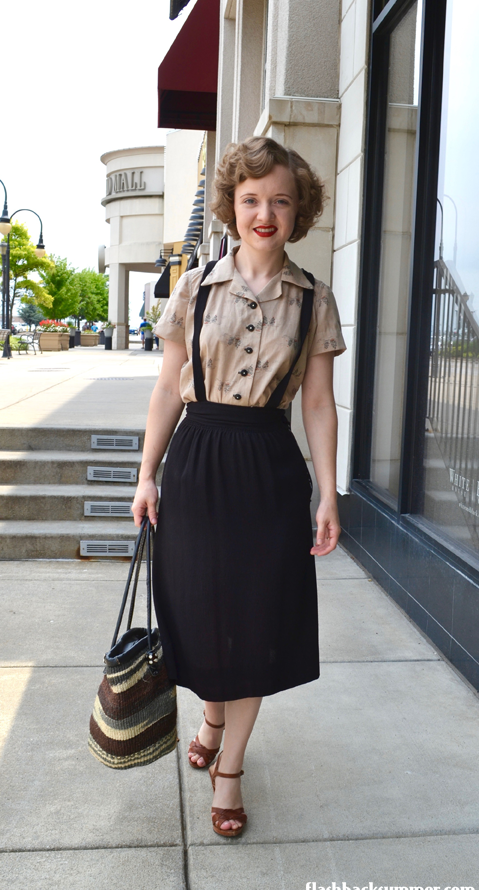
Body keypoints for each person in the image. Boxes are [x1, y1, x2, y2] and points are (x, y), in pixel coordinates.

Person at [131, 136, 346, 838]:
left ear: (298, 210)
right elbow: (168, 386)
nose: (265, 212)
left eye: (280, 199)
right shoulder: (194, 286)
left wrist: (328, 493)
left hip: (268, 469)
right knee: (195, 607)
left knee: (255, 618)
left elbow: (317, 403)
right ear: (230, 206)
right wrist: (145, 475)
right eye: (251, 199)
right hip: (195, 461)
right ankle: (212, 710)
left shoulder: (315, 298)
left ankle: (230, 766)